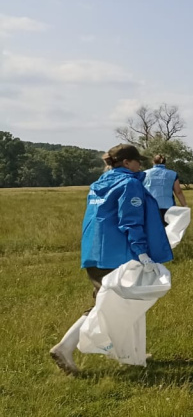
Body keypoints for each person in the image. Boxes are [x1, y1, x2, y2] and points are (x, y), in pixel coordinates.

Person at [50, 144, 173, 375]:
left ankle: (132, 353)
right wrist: (143, 253)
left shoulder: (98, 184)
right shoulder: (130, 184)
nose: (140, 165)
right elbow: (130, 221)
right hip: (118, 254)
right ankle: (65, 347)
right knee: (110, 305)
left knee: (119, 303)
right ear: (127, 162)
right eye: (138, 161)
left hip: (93, 252)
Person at [142, 154, 188, 223]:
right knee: (167, 231)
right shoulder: (173, 174)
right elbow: (178, 192)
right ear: (164, 162)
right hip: (168, 207)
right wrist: (185, 206)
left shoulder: (144, 174)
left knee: (151, 231)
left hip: (149, 207)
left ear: (153, 162)